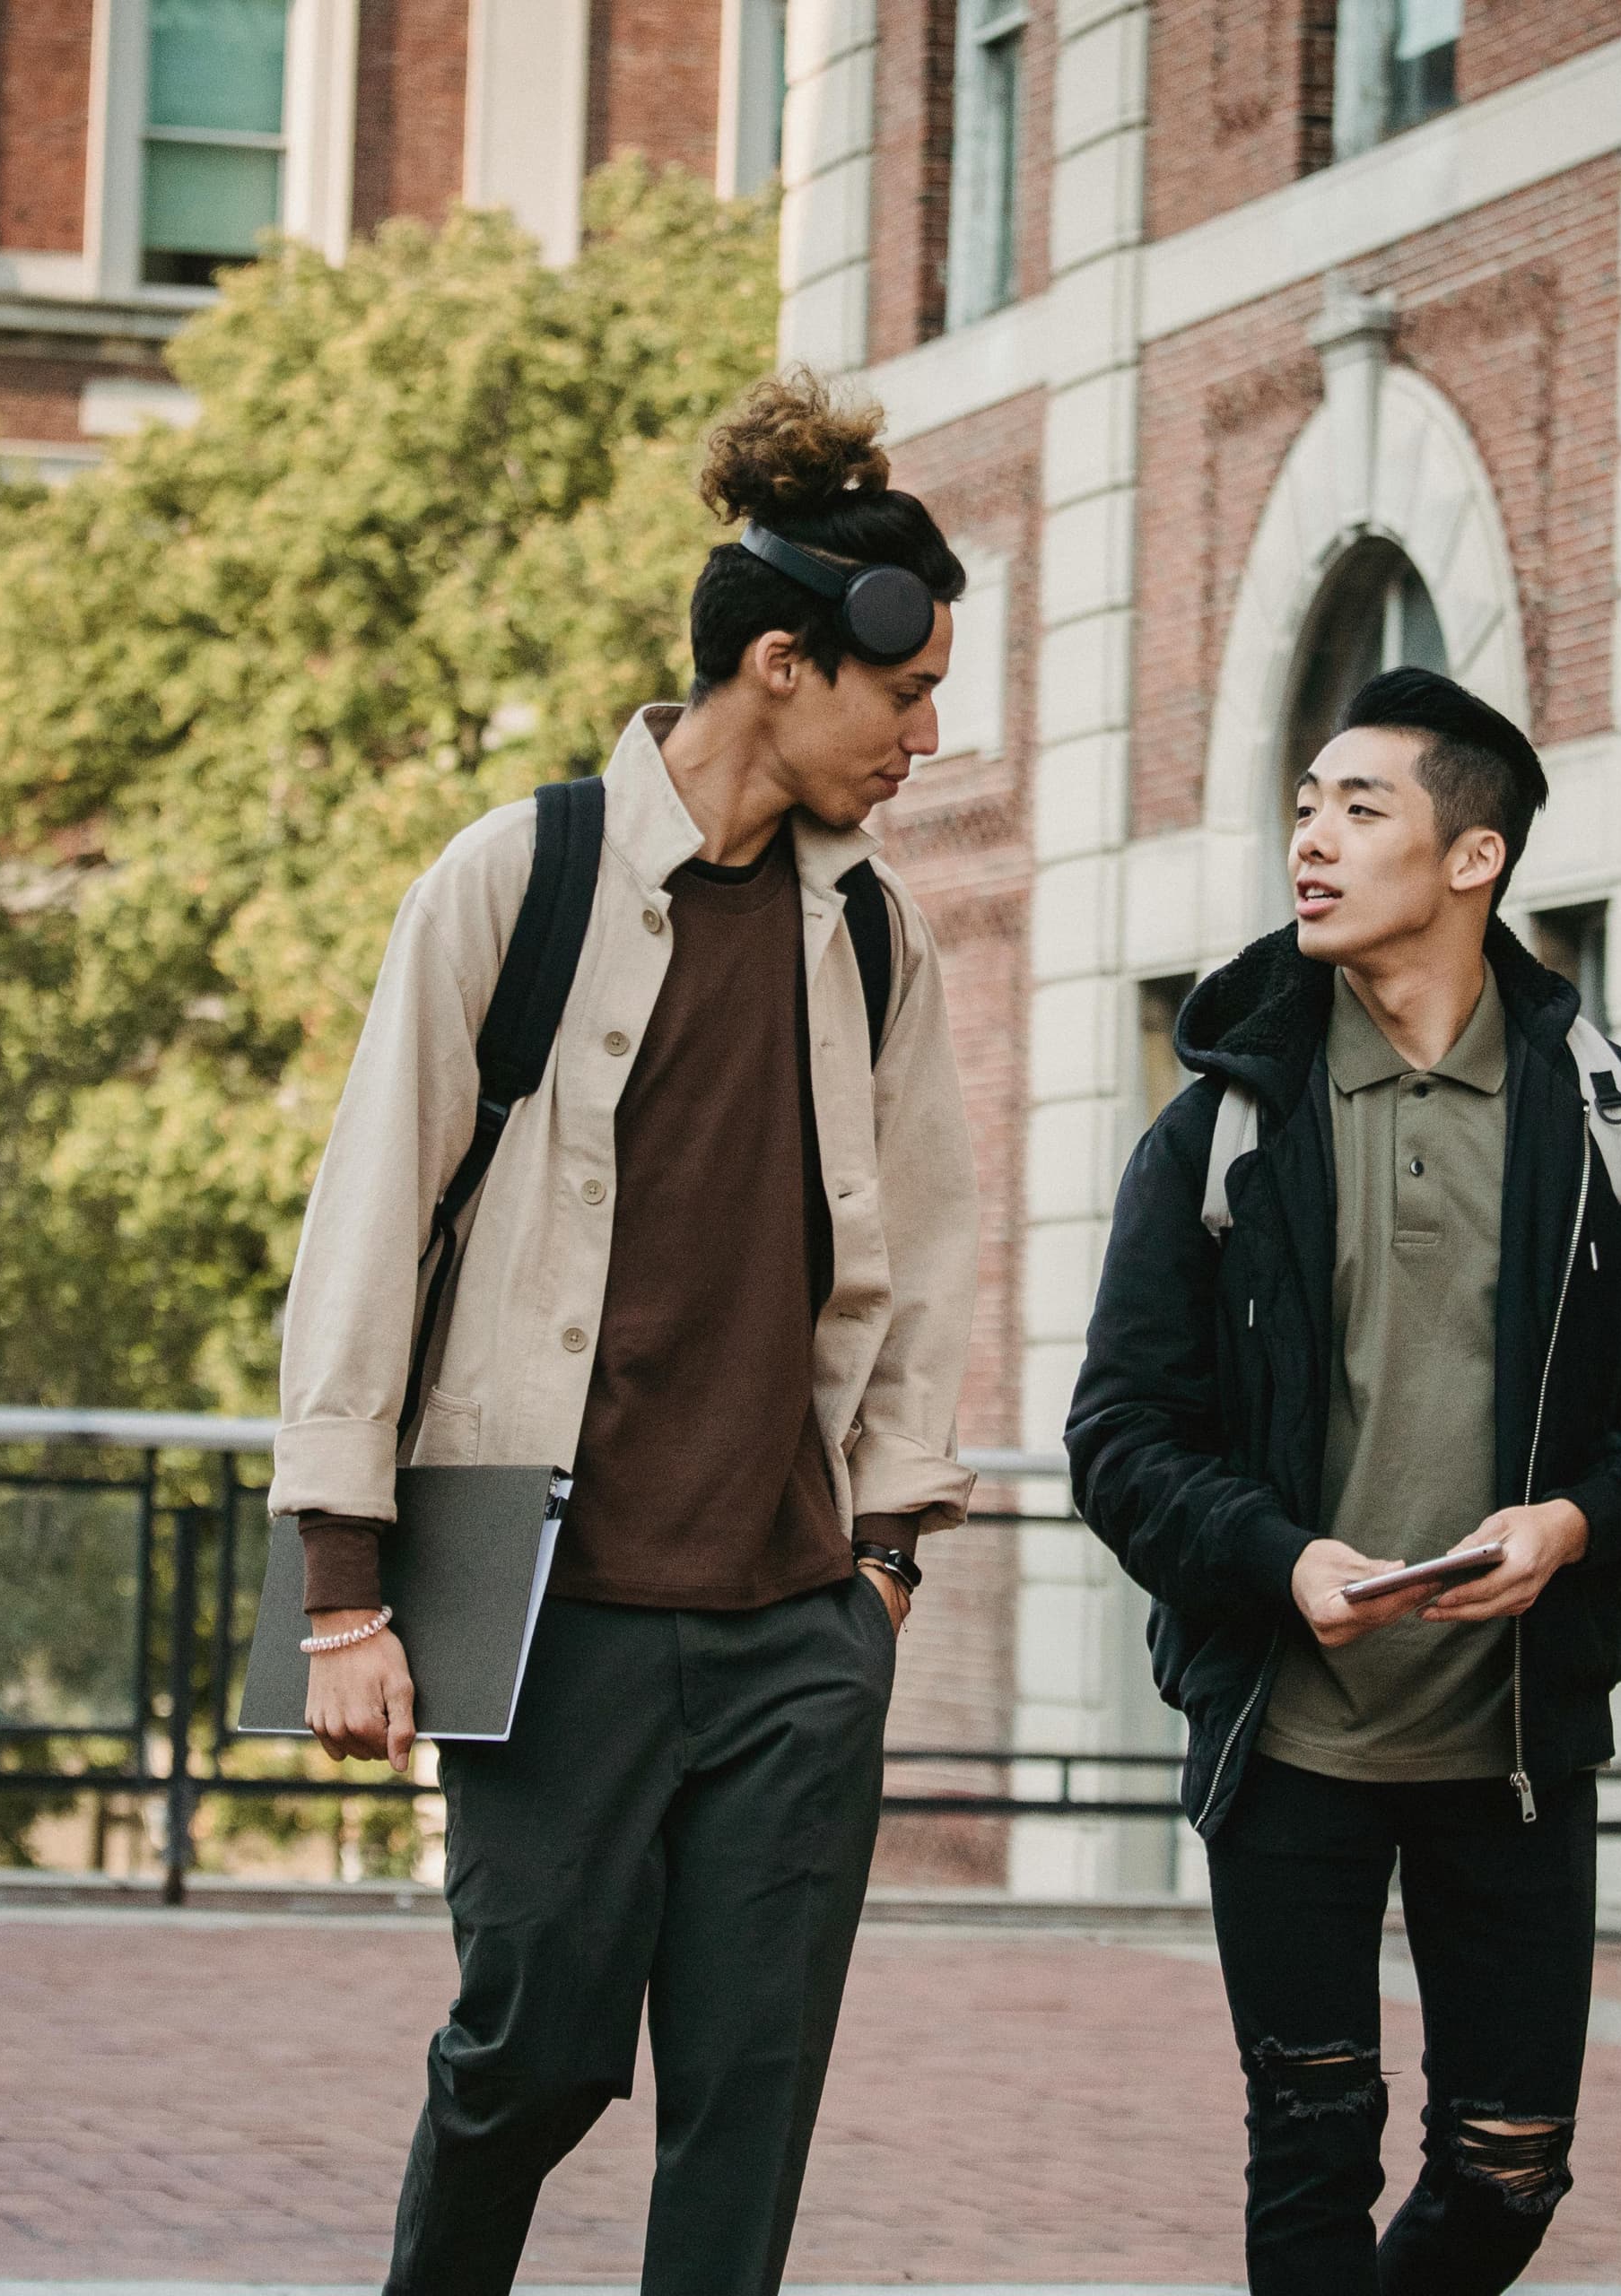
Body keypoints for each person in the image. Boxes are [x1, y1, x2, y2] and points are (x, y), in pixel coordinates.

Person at [268, 370, 980, 2296]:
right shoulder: (522, 875)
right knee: (535, 2050)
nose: (927, 737)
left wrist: (887, 1562)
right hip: (542, 1599)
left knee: (748, 2104)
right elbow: (365, 1224)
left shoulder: (875, 936)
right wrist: (342, 1593)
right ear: (779, 665)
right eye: (901, 698)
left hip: (793, 1627)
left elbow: (925, 1253)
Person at [1066, 666, 1621, 2296]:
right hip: (1292, 1732)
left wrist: (1581, 1524)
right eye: (1305, 807)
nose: (1310, 839)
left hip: (1513, 1742)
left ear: (1476, 858)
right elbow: (1119, 1435)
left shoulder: (1620, 1122)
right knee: (1312, 2150)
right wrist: (1277, 1560)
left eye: (1359, 807)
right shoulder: (1221, 1132)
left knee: (1511, 2166)